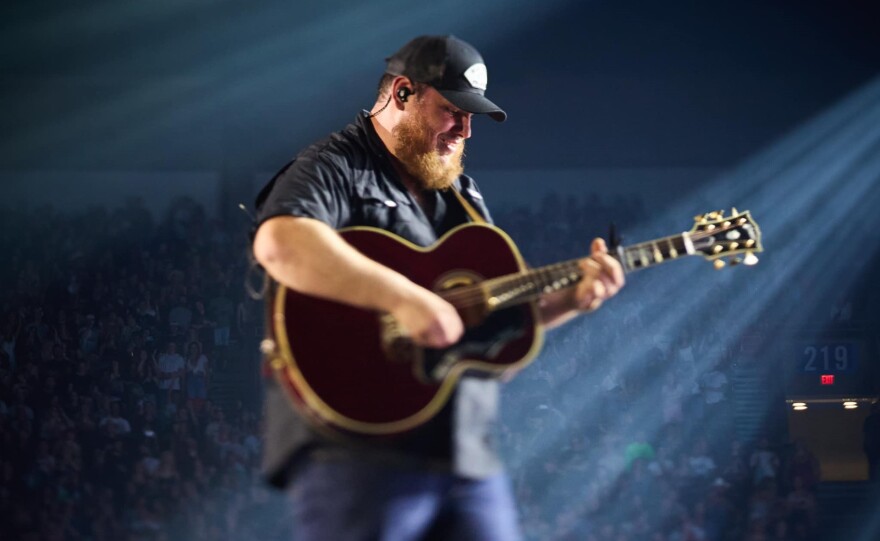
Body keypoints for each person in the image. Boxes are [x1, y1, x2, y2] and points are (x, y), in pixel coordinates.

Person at [251, 35, 625, 541]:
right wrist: (405, 298)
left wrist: (569, 301)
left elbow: (487, 328)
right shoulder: (334, 165)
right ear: (403, 93)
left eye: (472, 118)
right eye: (453, 111)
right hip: (361, 451)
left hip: (466, 456)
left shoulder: (463, 198)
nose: (465, 130)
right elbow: (281, 243)